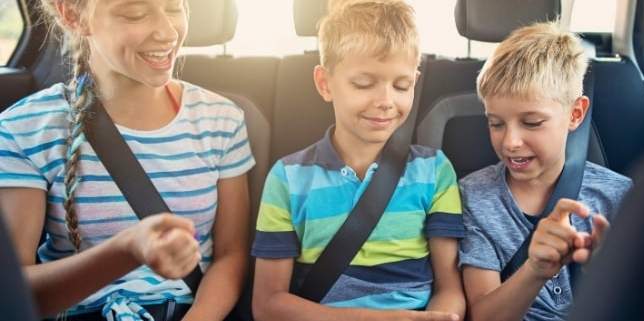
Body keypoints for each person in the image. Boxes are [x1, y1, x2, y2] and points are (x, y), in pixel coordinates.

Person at [0, 0, 254, 320]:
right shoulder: (25, 128)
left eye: (175, 8)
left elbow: (231, 256)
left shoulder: (221, 119)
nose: (167, 31)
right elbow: (12, 290)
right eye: (135, 13)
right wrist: (127, 250)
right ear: (74, 15)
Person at [250, 1, 465, 321]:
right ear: (325, 83)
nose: (386, 102)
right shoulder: (288, 179)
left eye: (401, 85)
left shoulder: (434, 171)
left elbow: (449, 289)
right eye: (364, 84)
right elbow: (268, 305)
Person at [458, 21, 633, 321]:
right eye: (496, 123)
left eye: (532, 123)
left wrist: (609, 273)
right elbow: (483, 316)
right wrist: (535, 270)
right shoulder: (474, 198)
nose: (510, 142)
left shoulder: (619, 195)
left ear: (575, 114)